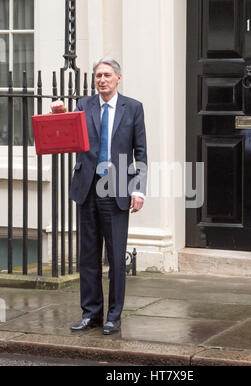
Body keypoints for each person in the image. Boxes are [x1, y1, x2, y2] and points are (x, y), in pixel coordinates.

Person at [51, 57, 147, 335]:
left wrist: (138, 188)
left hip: (117, 188)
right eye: (97, 76)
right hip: (87, 188)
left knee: (116, 257)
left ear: (118, 78)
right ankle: (91, 314)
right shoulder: (84, 105)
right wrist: (59, 115)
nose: (101, 80)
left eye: (106, 75)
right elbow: (66, 136)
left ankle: (113, 316)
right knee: (88, 256)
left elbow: (140, 151)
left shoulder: (133, 108)